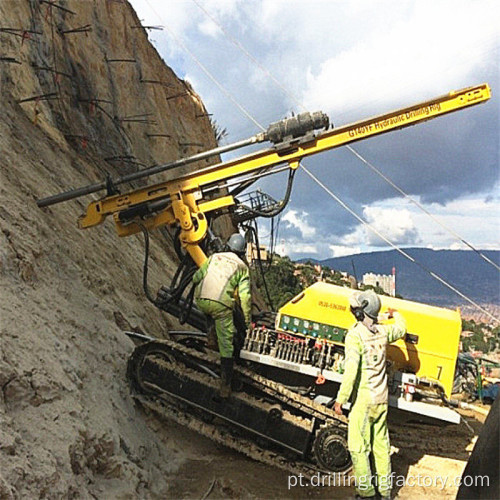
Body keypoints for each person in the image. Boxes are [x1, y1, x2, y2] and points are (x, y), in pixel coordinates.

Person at [334, 290, 406, 499]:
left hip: (364, 402)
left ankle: (365, 493)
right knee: (381, 447)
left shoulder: (355, 335)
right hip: (381, 399)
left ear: (360, 312)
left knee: (358, 447)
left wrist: (341, 399)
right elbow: (402, 329)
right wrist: (395, 314)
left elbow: (351, 371)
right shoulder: (383, 333)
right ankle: (385, 492)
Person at [192, 233, 251, 398]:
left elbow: (197, 276)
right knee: (227, 345)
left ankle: (211, 334)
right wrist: (247, 322)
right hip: (221, 306)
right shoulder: (242, 267)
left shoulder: (214, 257)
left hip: (202, 299)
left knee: (209, 309)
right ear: (242, 252)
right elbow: (245, 297)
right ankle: (225, 387)